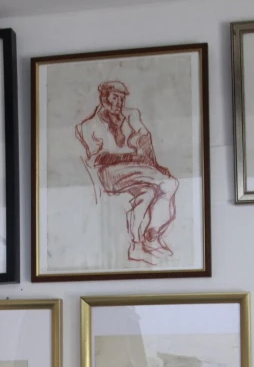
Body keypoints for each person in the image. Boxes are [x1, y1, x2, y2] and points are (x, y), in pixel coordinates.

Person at [74, 81, 179, 265]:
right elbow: (98, 158)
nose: (119, 103)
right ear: (104, 99)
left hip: (137, 169)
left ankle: (142, 243)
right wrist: (130, 157)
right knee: (170, 183)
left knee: (147, 193)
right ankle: (150, 237)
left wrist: (154, 165)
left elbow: (144, 141)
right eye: (115, 98)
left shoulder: (132, 115)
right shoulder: (88, 125)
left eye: (122, 99)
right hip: (111, 173)